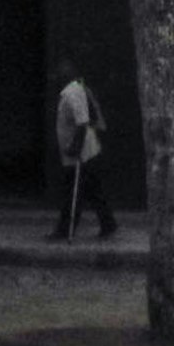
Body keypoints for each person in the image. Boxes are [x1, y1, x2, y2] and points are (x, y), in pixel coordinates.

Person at [51, 66, 114, 242]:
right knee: (94, 190)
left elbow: (82, 123)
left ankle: (65, 230)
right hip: (86, 151)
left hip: (82, 153)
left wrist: (75, 148)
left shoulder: (72, 94)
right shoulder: (74, 90)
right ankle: (108, 223)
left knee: (73, 193)